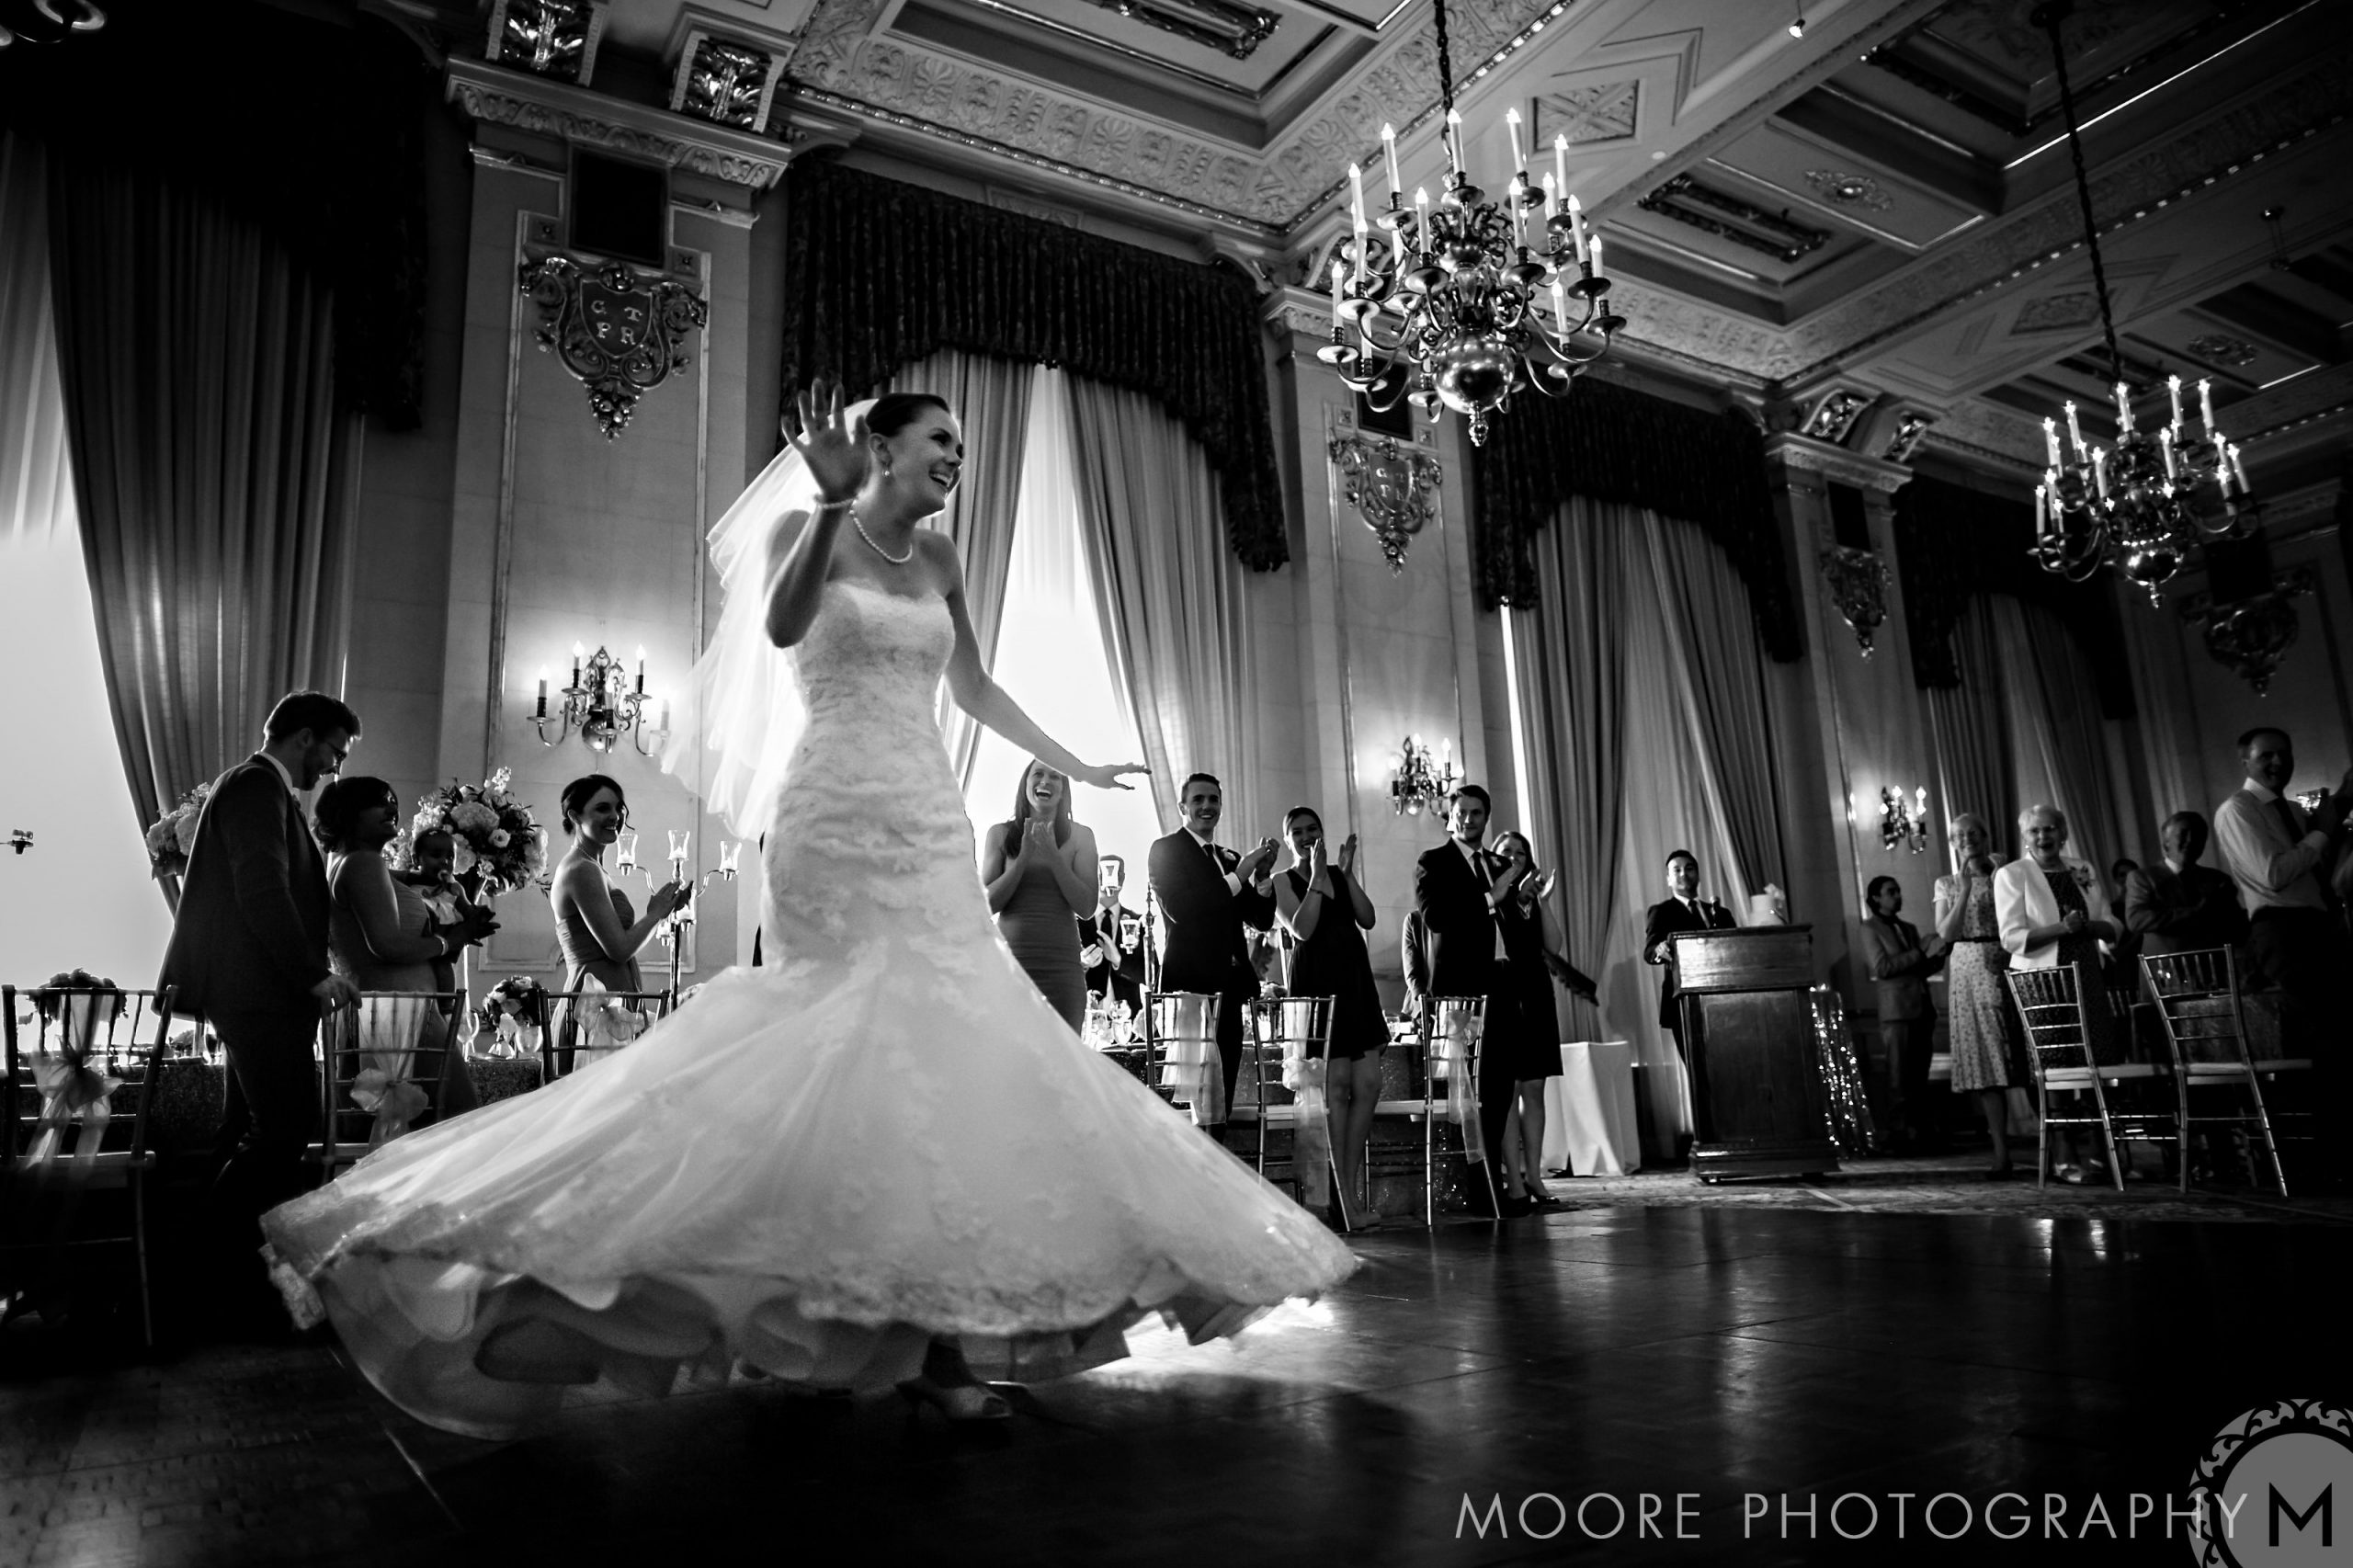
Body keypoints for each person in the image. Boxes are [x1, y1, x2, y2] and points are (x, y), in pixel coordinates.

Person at [262, 385, 1353, 1437]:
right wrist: (828, 501)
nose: (955, 463)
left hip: (924, 807)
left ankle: (915, 1339)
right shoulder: (813, 524)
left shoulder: (940, 556)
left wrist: (1077, 758)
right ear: (880, 448)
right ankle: (864, 1329)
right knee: (839, 1030)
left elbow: (969, 686)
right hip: (831, 808)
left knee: (950, 1044)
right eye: (940, 441)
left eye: (965, 451)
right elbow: (785, 627)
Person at [158, 690, 361, 1324]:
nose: (333, 767)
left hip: (254, 993)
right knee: (283, 1130)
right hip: (257, 995)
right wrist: (312, 975)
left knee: (247, 1134)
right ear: (303, 737)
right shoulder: (254, 787)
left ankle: (202, 1284)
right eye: (333, 751)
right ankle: (217, 1277)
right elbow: (261, 889)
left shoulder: (257, 789)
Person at [313, 778, 492, 1119]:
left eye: (394, 800)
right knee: (458, 1120)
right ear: (349, 811)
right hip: (398, 1016)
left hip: (389, 1011)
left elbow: (406, 882)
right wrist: (451, 940)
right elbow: (388, 946)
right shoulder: (362, 862)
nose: (392, 807)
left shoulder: (355, 863)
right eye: (379, 801)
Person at [1413, 785, 1537, 1217]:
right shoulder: (1435, 862)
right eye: (1461, 812)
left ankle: (1495, 1182)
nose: (1468, 819)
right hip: (1463, 991)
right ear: (1450, 814)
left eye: (1477, 813)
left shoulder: (1502, 865)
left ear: (1487, 817)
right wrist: (1490, 898)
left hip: (1505, 986)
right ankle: (1477, 1188)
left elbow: (1517, 932)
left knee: (1502, 1087)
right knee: (1469, 1092)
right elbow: (1436, 917)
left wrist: (1518, 906)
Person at [1271, 807, 1386, 1229]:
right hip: (1318, 988)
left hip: (1355, 986)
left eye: (1311, 829)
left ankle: (1348, 1188)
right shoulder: (1283, 882)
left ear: (1322, 831)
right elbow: (1302, 928)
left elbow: (1368, 919)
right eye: (1296, 832)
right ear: (1287, 840)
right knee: (1335, 1092)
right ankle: (1342, 1199)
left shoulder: (1338, 874)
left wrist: (1346, 873)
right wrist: (1318, 875)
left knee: (1369, 1085)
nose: (1305, 836)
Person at [1995, 804, 2120, 1183]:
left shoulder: (2082, 869)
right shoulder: (2012, 875)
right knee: (2056, 1066)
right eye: (2035, 831)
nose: (2043, 837)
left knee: (2096, 1059)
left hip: (2087, 977)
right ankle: (2063, 1152)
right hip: (2042, 981)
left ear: (2063, 833)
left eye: (2050, 829)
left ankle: (2101, 1149)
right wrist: (2062, 929)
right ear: (2025, 837)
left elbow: (2112, 922)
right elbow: (2011, 937)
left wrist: (2094, 927)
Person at [1148, 772, 1279, 1114]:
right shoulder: (1166, 850)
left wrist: (1262, 877)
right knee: (1194, 1098)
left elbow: (1261, 919)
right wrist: (1240, 874)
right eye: (1198, 800)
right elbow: (1183, 910)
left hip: (1231, 989)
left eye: (1213, 800)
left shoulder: (1229, 857)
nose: (1207, 806)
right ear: (1182, 806)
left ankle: (1214, 1161)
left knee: (1222, 1099)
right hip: (1191, 991)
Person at [1489, 829, 1597, 1204]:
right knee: (1509, 1090)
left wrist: (1544, 902)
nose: (1514, 857)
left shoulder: (1532, 901)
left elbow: (1553, 946)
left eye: (1520, 852)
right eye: (1505, 852)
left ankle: (1535, 1176)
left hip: (1536, 995)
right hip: (1503, 996)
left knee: (1535, 1090)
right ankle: (1514, 1179)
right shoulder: (1491, 897)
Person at [550, 775, 691, 997]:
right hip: (597, 1001)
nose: (615, 816)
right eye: (602, 808)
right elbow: (619, 950)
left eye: (619, 807)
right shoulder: (582, 868)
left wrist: (666, 907)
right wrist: (655, 914)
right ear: (575, 816)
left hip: (607, 991)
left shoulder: (589, 865)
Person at [1936, 812, 2021, 1178]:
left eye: (1973, 832)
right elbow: (1946, 933)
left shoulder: (2008, 871)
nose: (1966, 838)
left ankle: (2058, 1146)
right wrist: (1965, 888)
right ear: (1953, 843)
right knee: (1987, 1063)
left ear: (1985, 836)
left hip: (2010, 960)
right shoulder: (1945, 883)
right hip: (1969, 967)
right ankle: (2001, 1154)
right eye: (1959, 835)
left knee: (2024, 1053)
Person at [983, 760, 1097, 1028]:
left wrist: (1054, 857)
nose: (1046, 781)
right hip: (1010, 967)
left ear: (1063, 790)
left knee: (1064, 1061)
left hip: (1063, 971)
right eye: (1038, 774)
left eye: (1055, 777)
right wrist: (1023, 858)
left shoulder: (1081, 836)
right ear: (1026, 783)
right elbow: (985, 905)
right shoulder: (1000, 834)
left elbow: (1087, 906)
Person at [1859, 875, 1942, 1152]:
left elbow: (1917, 968)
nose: (1897, 896)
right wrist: (1919, 951)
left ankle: (1921, 1132)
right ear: (1875, 898)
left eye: (1898, 891)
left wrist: (1938, 956)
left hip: (1921, 1007)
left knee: (1920, 1076)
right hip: (1896, 1011)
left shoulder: (1908, 927)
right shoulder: (1869, 928)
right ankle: (1899, 1134)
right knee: (1899, 1078)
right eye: (1891, 892)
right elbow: (1882, 968)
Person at [1642, 850, 1737, 1072]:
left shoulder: (1720, 913)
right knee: (1700, 1073)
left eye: (1689, 868)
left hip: (1725, 1002)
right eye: (1677, 870)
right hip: (1684, 1004)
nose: (1683, 873)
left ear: (1698, 875)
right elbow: (1650, 950)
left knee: (1729, 1069)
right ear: (1668, 879)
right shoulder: (1661, 912)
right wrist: (1660, 950)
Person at [2121, 812, 2247, 960]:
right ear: (2166, 842)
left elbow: (2237, 927)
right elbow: (2137, 920)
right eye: (2183, 834)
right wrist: (2196, 913)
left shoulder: (2218, 880)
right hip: (2166, 970)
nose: (2190, 840)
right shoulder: (2143, 878)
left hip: (2214, 968)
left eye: (2198, 836)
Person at [1079, 853, 1145, 1013]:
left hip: (1128, 1019)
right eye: (1103, 873)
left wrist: (1118, 961)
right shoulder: (1078, 922)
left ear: (1122, 878)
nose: (1109, 877)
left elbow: (1151, 974)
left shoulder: (1136, 922)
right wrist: (1082, 964)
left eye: (1116, 873)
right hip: (1088, 1015)